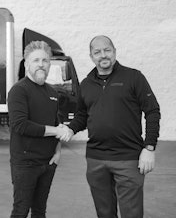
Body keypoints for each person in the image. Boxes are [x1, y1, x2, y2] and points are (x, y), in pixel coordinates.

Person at [64, 35, 161, 218]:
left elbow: (152, 111)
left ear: (115, 52)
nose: (103, 55)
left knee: (131, 214)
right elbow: (82, 116)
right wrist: (70, 129)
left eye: (107, 50)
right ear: (92, 56)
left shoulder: (133, 77)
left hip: (128, 159)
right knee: (104, 213)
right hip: (96, 159)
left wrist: (149, 147)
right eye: (97, 52)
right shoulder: (86, 84)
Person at [8, 40, 71, 218]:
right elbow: (20, 125)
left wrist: (57, 152)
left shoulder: (52, 93)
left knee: (39, 211)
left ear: (50, 64)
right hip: (25, 164)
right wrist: (57, 131)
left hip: (48, 163)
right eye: (36, 60)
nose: (41, 65)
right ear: (27, 64)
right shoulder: (19, 90)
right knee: (20, 211)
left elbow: (55, 122)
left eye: (45, 60)